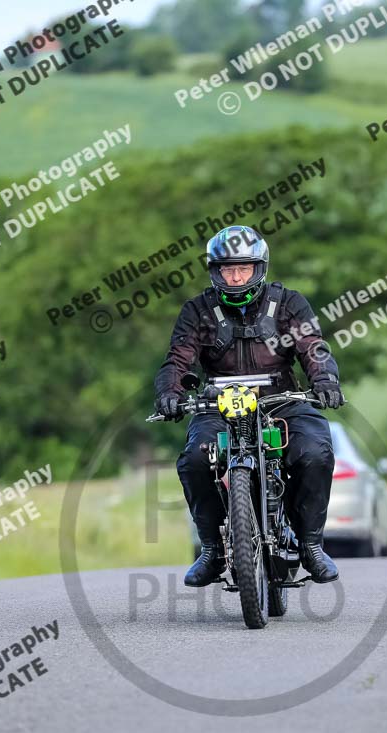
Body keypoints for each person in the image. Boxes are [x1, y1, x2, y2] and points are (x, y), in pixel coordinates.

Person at [154, 225, 344, 587]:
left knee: (315, 450)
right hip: (217, 405)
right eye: (228, 270)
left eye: (243, 269)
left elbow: (314, 348)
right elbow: (177, 360)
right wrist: (170, 393)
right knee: (195, 458)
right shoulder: (197, 310)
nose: (236, 277)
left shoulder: (289, 303)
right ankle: (211, 550)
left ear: (259, 268)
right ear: (215, 272)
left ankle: (311, 545)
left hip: (281, 401)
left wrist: (325, 381)